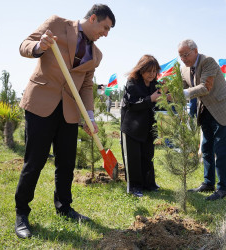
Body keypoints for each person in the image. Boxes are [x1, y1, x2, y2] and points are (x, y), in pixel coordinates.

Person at [14, 4, 115, 239]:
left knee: (67, 163)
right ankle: (22, 212)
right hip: (41, 103)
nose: (106, 33)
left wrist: (89, 116)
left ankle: (64, 207)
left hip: (69, 111)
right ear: (92, 18)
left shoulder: (96, 55)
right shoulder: (57, 24)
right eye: (105, 27)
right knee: (35, 161)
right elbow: (24, 46)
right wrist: (40, 46)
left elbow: (87, 86)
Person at [178, 39, 226, 201]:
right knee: (206, 147)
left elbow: (205, 87)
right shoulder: (183, 69)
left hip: (222, 109)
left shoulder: (208, 61)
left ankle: (222, 188)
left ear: (195, 51)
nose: (183, 58)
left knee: (220, 150)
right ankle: (208, 183)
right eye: (180, 56)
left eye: (186, 54)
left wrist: (182, 94)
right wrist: (168, 91)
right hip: (205, 111)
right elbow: (183, 86)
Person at [120, 55, 163, 198]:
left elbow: (158, 104)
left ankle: (149, 184)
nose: (152, 74)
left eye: (154, 71)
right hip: (131, 127)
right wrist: (150, 99)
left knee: (147, 156)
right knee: (133, 158)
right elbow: (132, 104)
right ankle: (134, 186)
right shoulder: (132, 83)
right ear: (141, 70)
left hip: (148, 128)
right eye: (148, 71)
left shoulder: (155, 85)